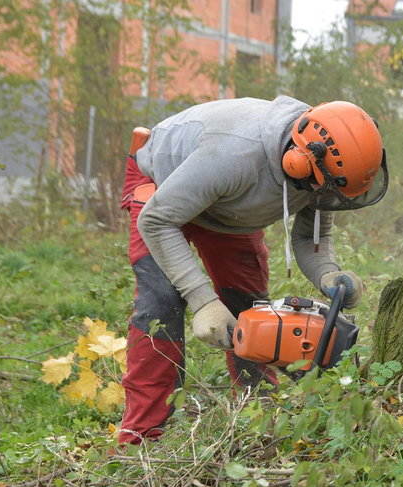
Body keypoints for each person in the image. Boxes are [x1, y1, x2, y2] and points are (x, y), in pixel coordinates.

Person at [118, 96, 388, 444]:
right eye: (324, 188)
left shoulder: (326, 165)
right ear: (296, 163)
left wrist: (328, 274)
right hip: (160, 188)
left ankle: (255, 416)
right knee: (162, 305)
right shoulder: (234, 155)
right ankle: (140, 437)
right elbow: (155, 220)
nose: (325, 196)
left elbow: (311, 237)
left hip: (226, 208)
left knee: (249, 306)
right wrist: (203, 301)